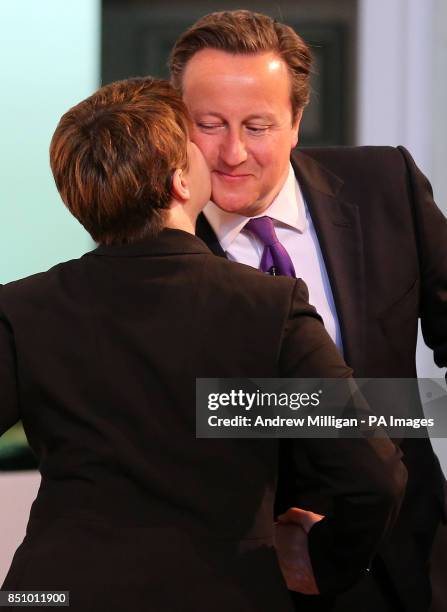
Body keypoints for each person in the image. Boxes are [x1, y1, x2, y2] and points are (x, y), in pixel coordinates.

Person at [0, 77, 405, 611]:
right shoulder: (268, 307)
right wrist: (324, 564)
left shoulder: (21, 308)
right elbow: (374, 474)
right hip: (226, 591)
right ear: (179, 182)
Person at [169, 10, 447, 612]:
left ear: (297, 121)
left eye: (259, 125)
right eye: (209, 125)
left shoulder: (385, 184)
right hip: (248, 570)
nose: (233, 152)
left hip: (405, 554)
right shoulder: (154, 247)